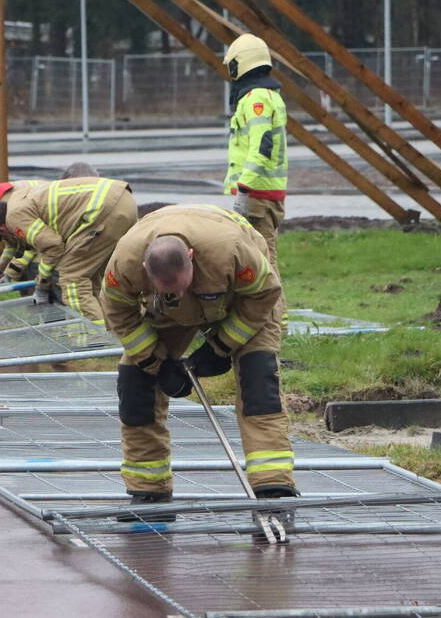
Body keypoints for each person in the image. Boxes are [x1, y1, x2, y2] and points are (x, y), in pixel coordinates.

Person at [100, 204, 296, 519]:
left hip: (244, 299)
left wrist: (220, 346)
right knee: (135, 383)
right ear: (147, 273)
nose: (178, 292)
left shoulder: (231, 250)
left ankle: (273, 490)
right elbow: (118, 314)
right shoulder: (126, 262)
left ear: (190, 257)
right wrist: (156, 362)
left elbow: (264, 295)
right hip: (169, 313)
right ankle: (149, 492)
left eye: (181, 285)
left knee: (259, 383)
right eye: (168, 289)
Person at [0, 176, 137, 324]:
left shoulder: (14, 217)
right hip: (122, 200)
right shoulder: (18, 200)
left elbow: (53, 246)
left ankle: (98, 341)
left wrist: (41, 287)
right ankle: (111, 333)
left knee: (72, 280)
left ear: (2, 228)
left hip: (103, 210)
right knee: (94, 280)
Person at [222, 34, 288, 296]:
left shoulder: (256, 99)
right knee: (261, 258)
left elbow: (261, 147)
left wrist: (244, 189)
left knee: (264, 262)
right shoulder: (267, 95)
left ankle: (275, 324)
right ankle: (274, 322)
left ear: (241, 64)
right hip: (262, 192)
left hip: (256, 194)